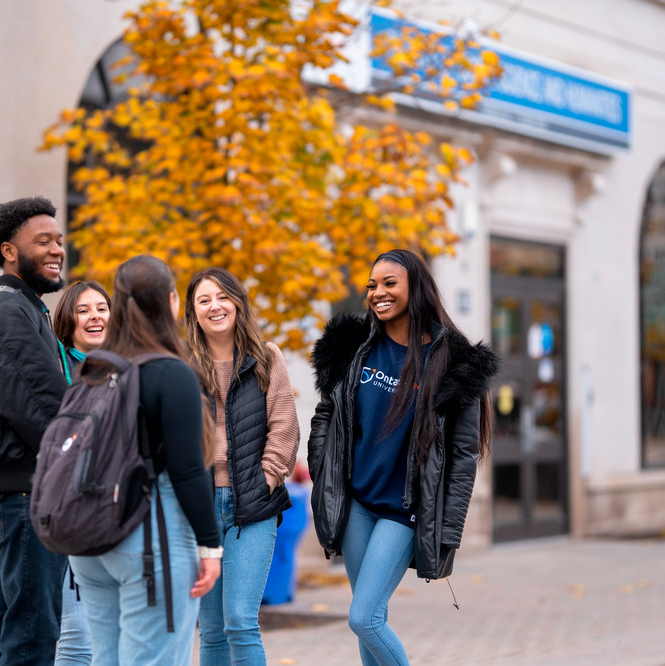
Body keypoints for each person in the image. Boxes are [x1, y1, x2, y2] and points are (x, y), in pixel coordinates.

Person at [306, 249, 498, 666]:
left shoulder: (453, 360)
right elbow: (328, 414)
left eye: (390, 283)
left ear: (416, 287)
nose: (378, 293)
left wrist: (448, 528)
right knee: (372, 614)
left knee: (364, 619)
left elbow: (464, 455)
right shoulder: (354, 347)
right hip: (357, 502)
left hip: (404, 509)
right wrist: (324, 473)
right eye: (372, 285)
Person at [67, 255, 222, 666]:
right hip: (150, 538)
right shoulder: (171, 373)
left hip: (90, 543)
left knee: (107, 659)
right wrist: (211, 546)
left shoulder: (96, 369)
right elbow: (188, 470)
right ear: (172, 301)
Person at [0, 196, 70, 665]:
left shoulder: (24, 309)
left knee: (14, 627)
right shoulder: (6, 312)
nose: (56, 249)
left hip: (24, 495)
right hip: (24, 496)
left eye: (59, 240)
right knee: (32, 637)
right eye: (42, 241)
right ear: (9, 251)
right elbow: (45, 412)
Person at [184, 268, 300, 665]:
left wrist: (264, 480)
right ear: (193, 312)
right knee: (211, 630)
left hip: (251, 504)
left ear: (237, 302)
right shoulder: (183, 365)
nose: (214, 306)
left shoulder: (266, 358)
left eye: (221, 297)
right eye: (204, 300)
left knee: (240, 621)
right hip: (196, 507)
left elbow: (284, 427)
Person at [51, 280, 112, 665]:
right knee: (77, 639)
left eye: (102, 308)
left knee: (108, 639)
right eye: (84, 310)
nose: (94, 316)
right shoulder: (59, 368)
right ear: (68, 321)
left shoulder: (123, 367)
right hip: (72, 516)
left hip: (116, 518)